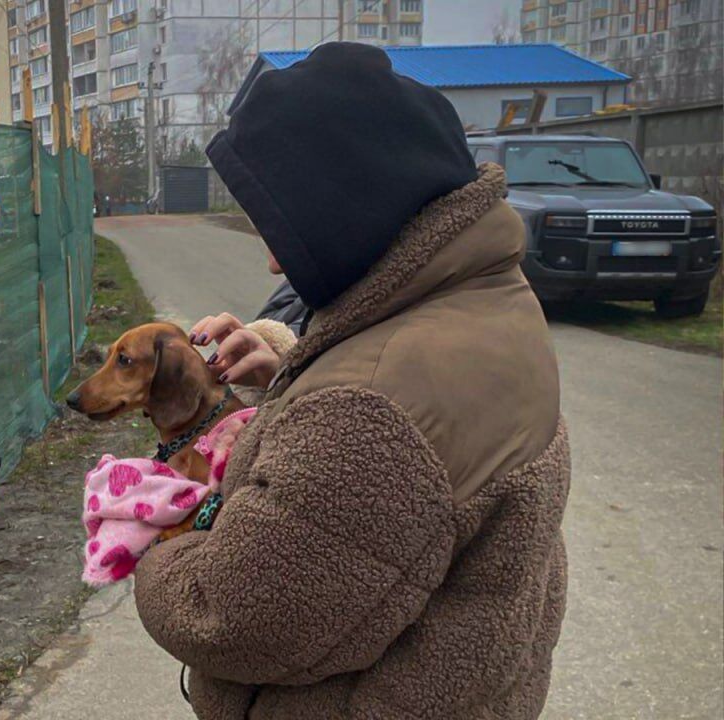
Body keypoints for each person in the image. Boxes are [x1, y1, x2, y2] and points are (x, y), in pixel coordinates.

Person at [134, 42, 569, 719]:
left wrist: (158, 539)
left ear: (348, 207)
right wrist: (292, 367)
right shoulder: (488, 299)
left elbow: (235, 618)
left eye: (281, 225)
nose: (275, 262)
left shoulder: (369, 413)